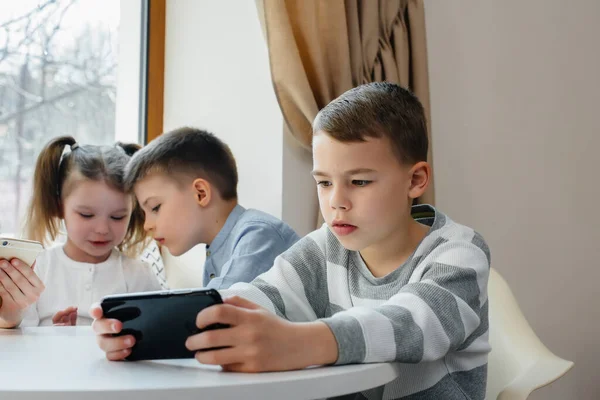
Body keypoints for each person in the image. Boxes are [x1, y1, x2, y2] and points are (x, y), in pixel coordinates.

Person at [91, 83, 490, 400]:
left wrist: (300, 343)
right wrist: (153, 327)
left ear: (415, 180)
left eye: (360, 181)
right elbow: (257, 295)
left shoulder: (458, 252)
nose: (337, 202)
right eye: (324, 182)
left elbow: (413, 325)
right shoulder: (324, 248)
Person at [0, 136, 161, 328]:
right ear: (60, 207)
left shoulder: (139, 275)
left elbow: (153, 333)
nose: (102, 229)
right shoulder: (38, 268)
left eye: (117, 217)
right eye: (86, 215)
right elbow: (17, 338)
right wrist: (52, 336)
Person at [120, 127, 299, 290]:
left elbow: (221, 310)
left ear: (201, 194)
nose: (147, 225)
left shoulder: (258, 234)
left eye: (155, 207)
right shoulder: (217, 249)